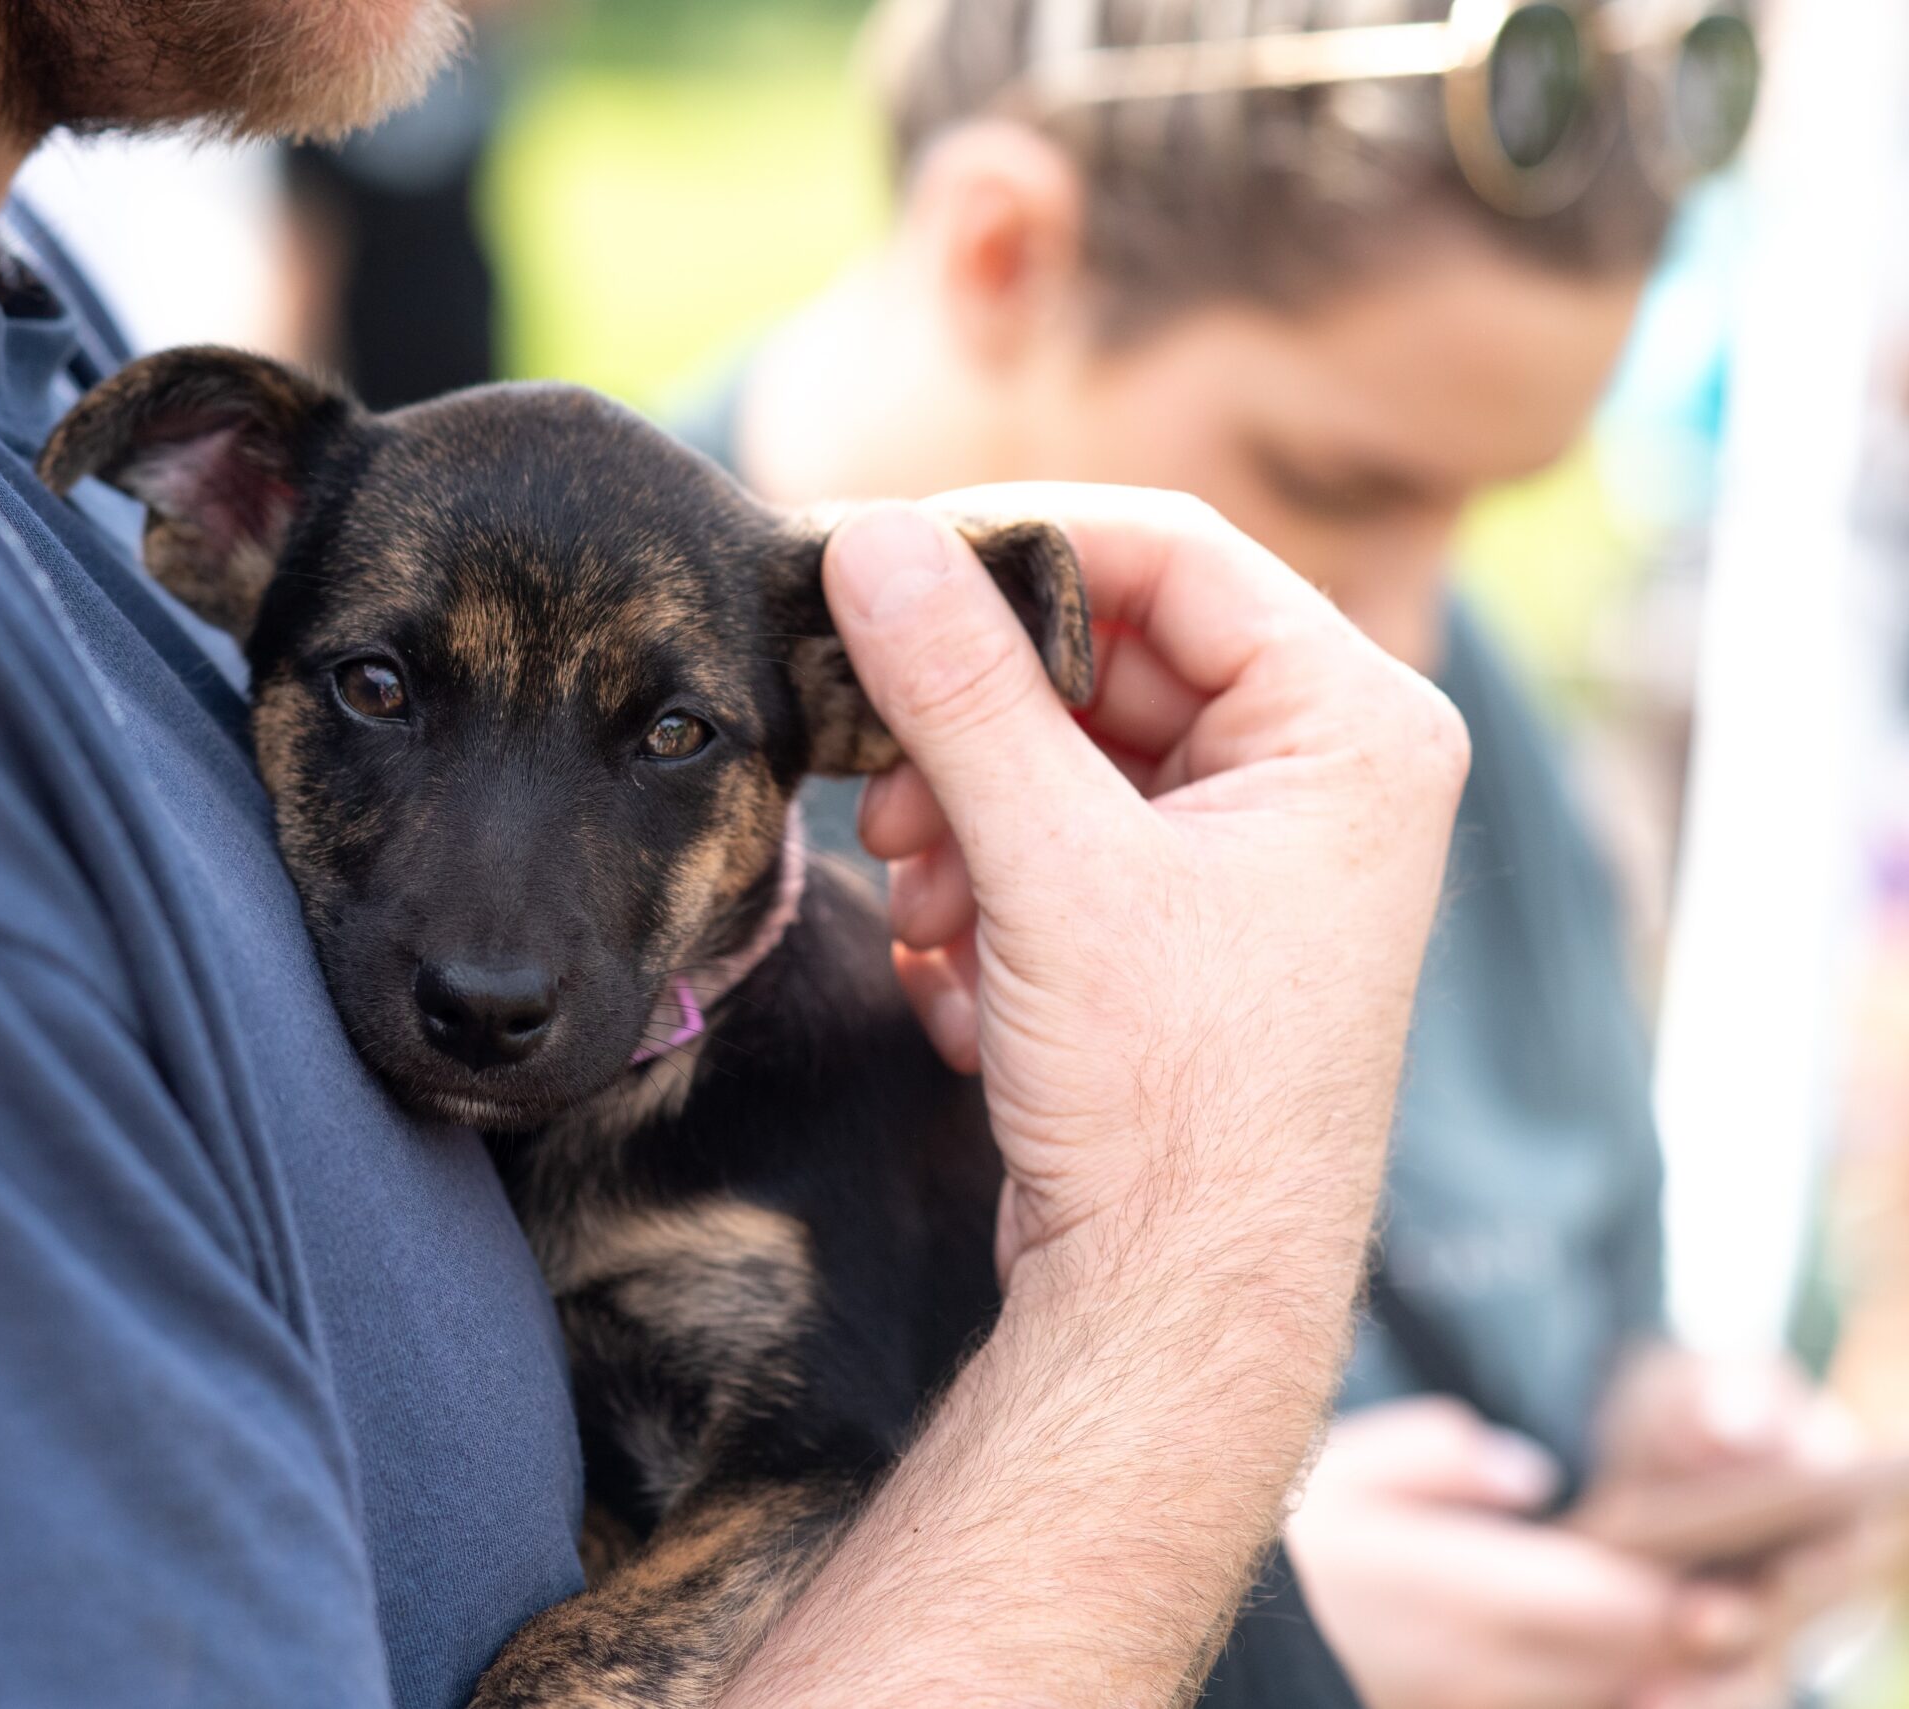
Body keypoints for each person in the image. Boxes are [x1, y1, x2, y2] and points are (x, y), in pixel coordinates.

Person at [0, 0, 1471, 1703]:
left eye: (659, 740)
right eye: (378, 698)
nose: (488, 923)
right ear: (218, 517)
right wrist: (1199, 1253)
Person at [697, 1, 1873, 1704]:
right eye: (1332, 481)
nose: (1404, 641)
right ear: (1003, 251)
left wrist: (1659, 1423)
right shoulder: (551, 834)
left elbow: (1578, 1250)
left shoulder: (1416, 683)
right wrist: (1238, 1616)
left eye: (1481, 512)